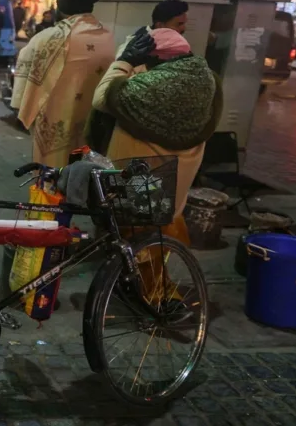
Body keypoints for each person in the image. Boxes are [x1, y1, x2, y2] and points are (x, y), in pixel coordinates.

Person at [87, 28, 222, 276]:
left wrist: (123, 62)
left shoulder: (146, 87)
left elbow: (102, 97)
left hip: (142, 178)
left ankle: (135, 291)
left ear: (157, 58)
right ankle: (148, 285)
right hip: (178, 178)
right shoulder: (208, 79)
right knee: (157, 240)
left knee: (131, 240)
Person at [12, 0, 116, 168]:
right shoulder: (107, 35)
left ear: (62, 6)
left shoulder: (49, 37)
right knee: (85, 174)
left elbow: (25, 79)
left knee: (53, 174)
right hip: (93, 123)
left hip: (55, 119)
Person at [116, 0, 190, 59]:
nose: (183, 28)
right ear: (160, 25)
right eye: (179, 24)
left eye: (184, 23)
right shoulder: (134, 47)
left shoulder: (177, 44)